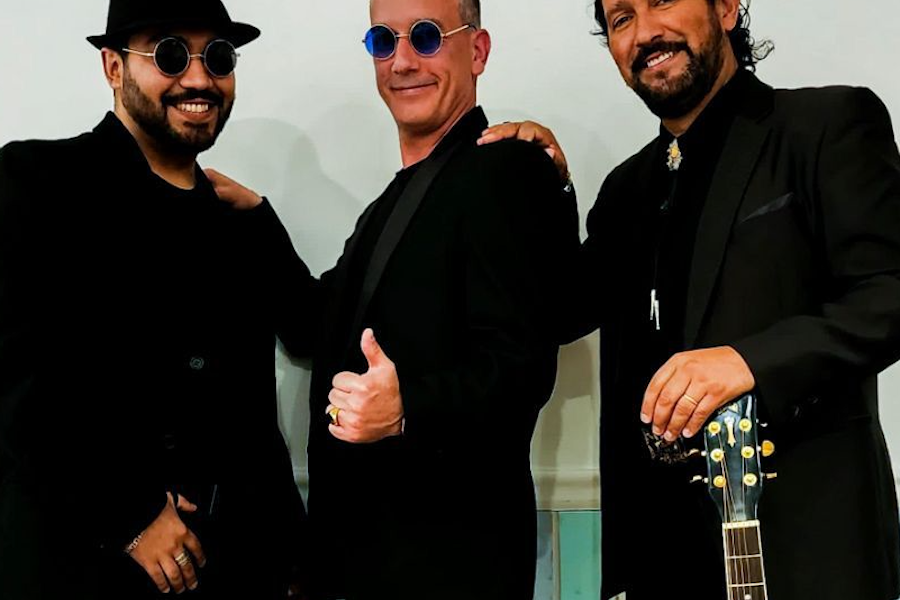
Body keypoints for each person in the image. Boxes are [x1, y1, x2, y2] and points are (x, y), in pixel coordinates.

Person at [481, 0, 900, 598]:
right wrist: (542, 185)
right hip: (662, 560)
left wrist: (748, 362)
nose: (645, 32)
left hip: (805, 554)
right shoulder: (626, 189)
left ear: (726, 8)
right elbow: (557, 311)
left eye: (662, 1)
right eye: (621, 18)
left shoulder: (826, 124)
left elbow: (888, 294)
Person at [215, 0, 578, 597]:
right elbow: (316, 327)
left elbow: (523, 367)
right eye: (383, 41)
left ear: (478, 50)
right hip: (364, 563)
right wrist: (257, 217)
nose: (402, 61)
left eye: (427, 36)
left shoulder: (506, 168)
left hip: (449, 566)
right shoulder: (389, 206)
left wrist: (408, 407)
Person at [0, 1, 316, 598]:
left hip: (235, 570)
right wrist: (129, 514)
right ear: (113, 67)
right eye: (170, 54)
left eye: (217, 57)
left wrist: (263, 221)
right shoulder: (36, 182)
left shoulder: (237, 222)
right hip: (83, 567)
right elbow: (15, 380)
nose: (199, 78)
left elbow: (314, 331)